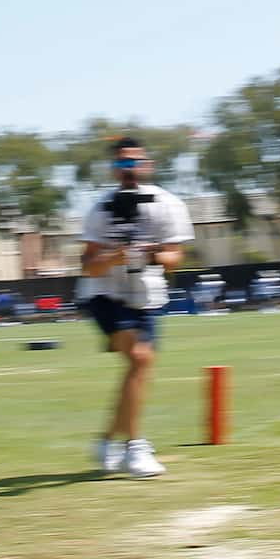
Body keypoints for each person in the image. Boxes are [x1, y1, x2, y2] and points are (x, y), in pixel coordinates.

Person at [77, 138, 194, 479]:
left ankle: (106, 441)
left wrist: (148, 253)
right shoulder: (100, 208)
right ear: (114, 169)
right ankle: (136, 447)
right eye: (122, 164)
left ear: (147, 164)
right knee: (140, 359)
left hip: (146, 294)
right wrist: (115, 254)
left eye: (135, 163)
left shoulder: (167, 204)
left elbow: (174, 259)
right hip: (103, 292)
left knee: (137, 367)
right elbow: (88, 266)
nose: (129, 170)